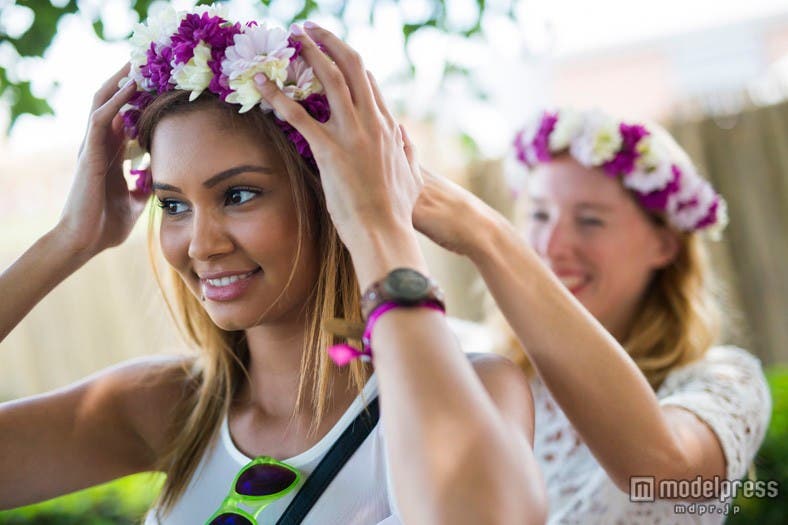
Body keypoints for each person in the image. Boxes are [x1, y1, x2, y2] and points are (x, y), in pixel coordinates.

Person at [0, 7, 547, 524]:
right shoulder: (170, 405)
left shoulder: (479, 388)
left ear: (331, 193)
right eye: (173, 205)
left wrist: (380, 226)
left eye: (238, 195)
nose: (201, 245)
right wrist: (66, 243)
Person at [411, 108, 771, 523]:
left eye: (589, 221)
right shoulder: (472, 361)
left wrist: (488, 238)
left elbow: (661, 467)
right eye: (539, 215)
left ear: (665, 245)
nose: (551, 245)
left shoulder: (727, 383)